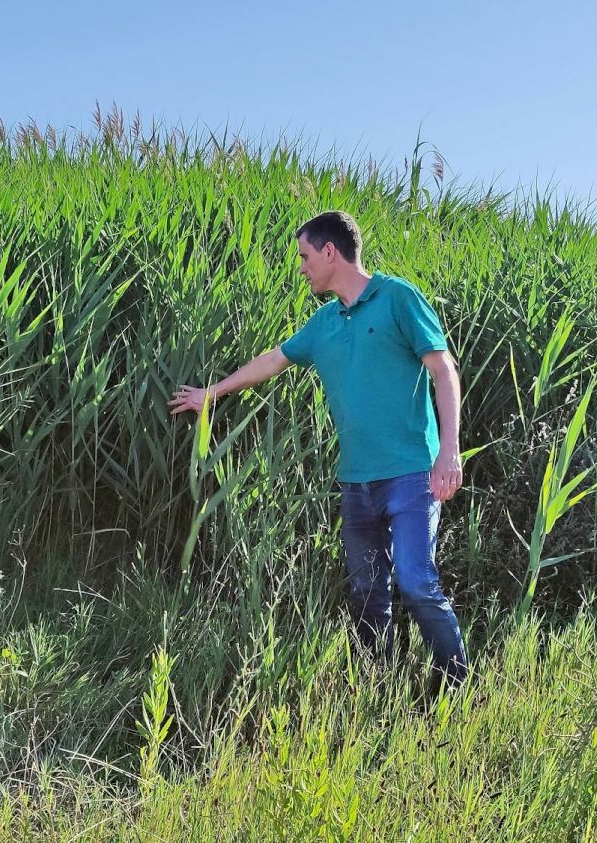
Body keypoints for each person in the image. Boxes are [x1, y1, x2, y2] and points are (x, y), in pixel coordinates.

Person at [168, 210, 468, 684]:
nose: (302, 268)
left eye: (306, 257)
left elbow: (443, 370)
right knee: (367, 592)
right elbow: (273, 360)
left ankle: (454, 685)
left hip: (411, 474)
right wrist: (213, 393)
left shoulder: (397, 298)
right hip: (356, 482)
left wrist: (448, 452)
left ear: (331, 252)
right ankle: (376, 684)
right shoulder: (324, 322)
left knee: (416, 583)